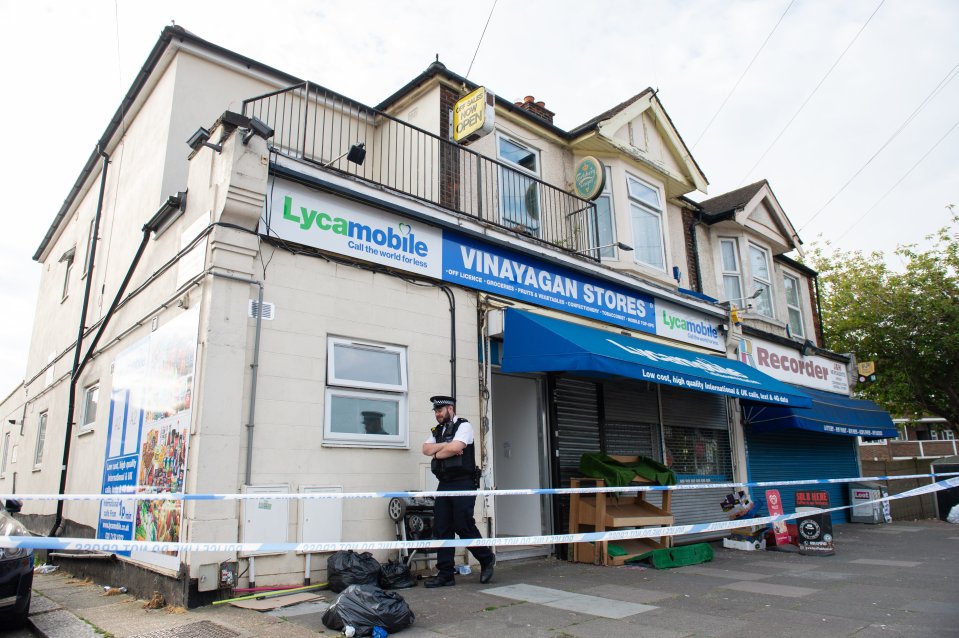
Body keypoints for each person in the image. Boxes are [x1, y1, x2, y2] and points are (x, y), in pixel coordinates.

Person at [421, 395, 495, 587]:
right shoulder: (437, 430)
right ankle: (445, 573)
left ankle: (486, 559)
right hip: (445, 483)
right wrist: (445, 447)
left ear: (450, 409)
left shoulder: (464, 426)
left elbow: (457, 447)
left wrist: (442, 451)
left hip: (463, 482)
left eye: (440, 410)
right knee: (442, 527)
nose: (437, 414)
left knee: (463, 525)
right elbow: (426, 449)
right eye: (436, 411)